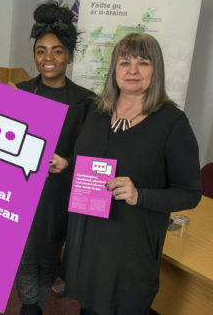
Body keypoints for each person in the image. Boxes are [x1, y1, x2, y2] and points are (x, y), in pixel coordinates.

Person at [61, 33, 202, 314]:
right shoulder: (96, 110)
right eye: (125, 62)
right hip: (88, 241)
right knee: (88, 309)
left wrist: (141, 195)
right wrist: (67, 163)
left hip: (130, 249)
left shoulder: (172, 123)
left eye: (143, 63)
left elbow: (190, 193)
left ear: (156, 70)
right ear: (114, 69)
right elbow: (87, 160)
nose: (133, 71)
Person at [14, 0, 94, 315]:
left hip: (58, 194)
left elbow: (91, 154)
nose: (48, 58)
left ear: (70, 56)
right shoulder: (20, 91)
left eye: (57, 51)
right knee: (22, 253)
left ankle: (39, 301)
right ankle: (28, 305)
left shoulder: (87, 102)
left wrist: (69, 162)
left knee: (49, 255)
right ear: (34, 56)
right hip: (21, 189)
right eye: (41, 51)